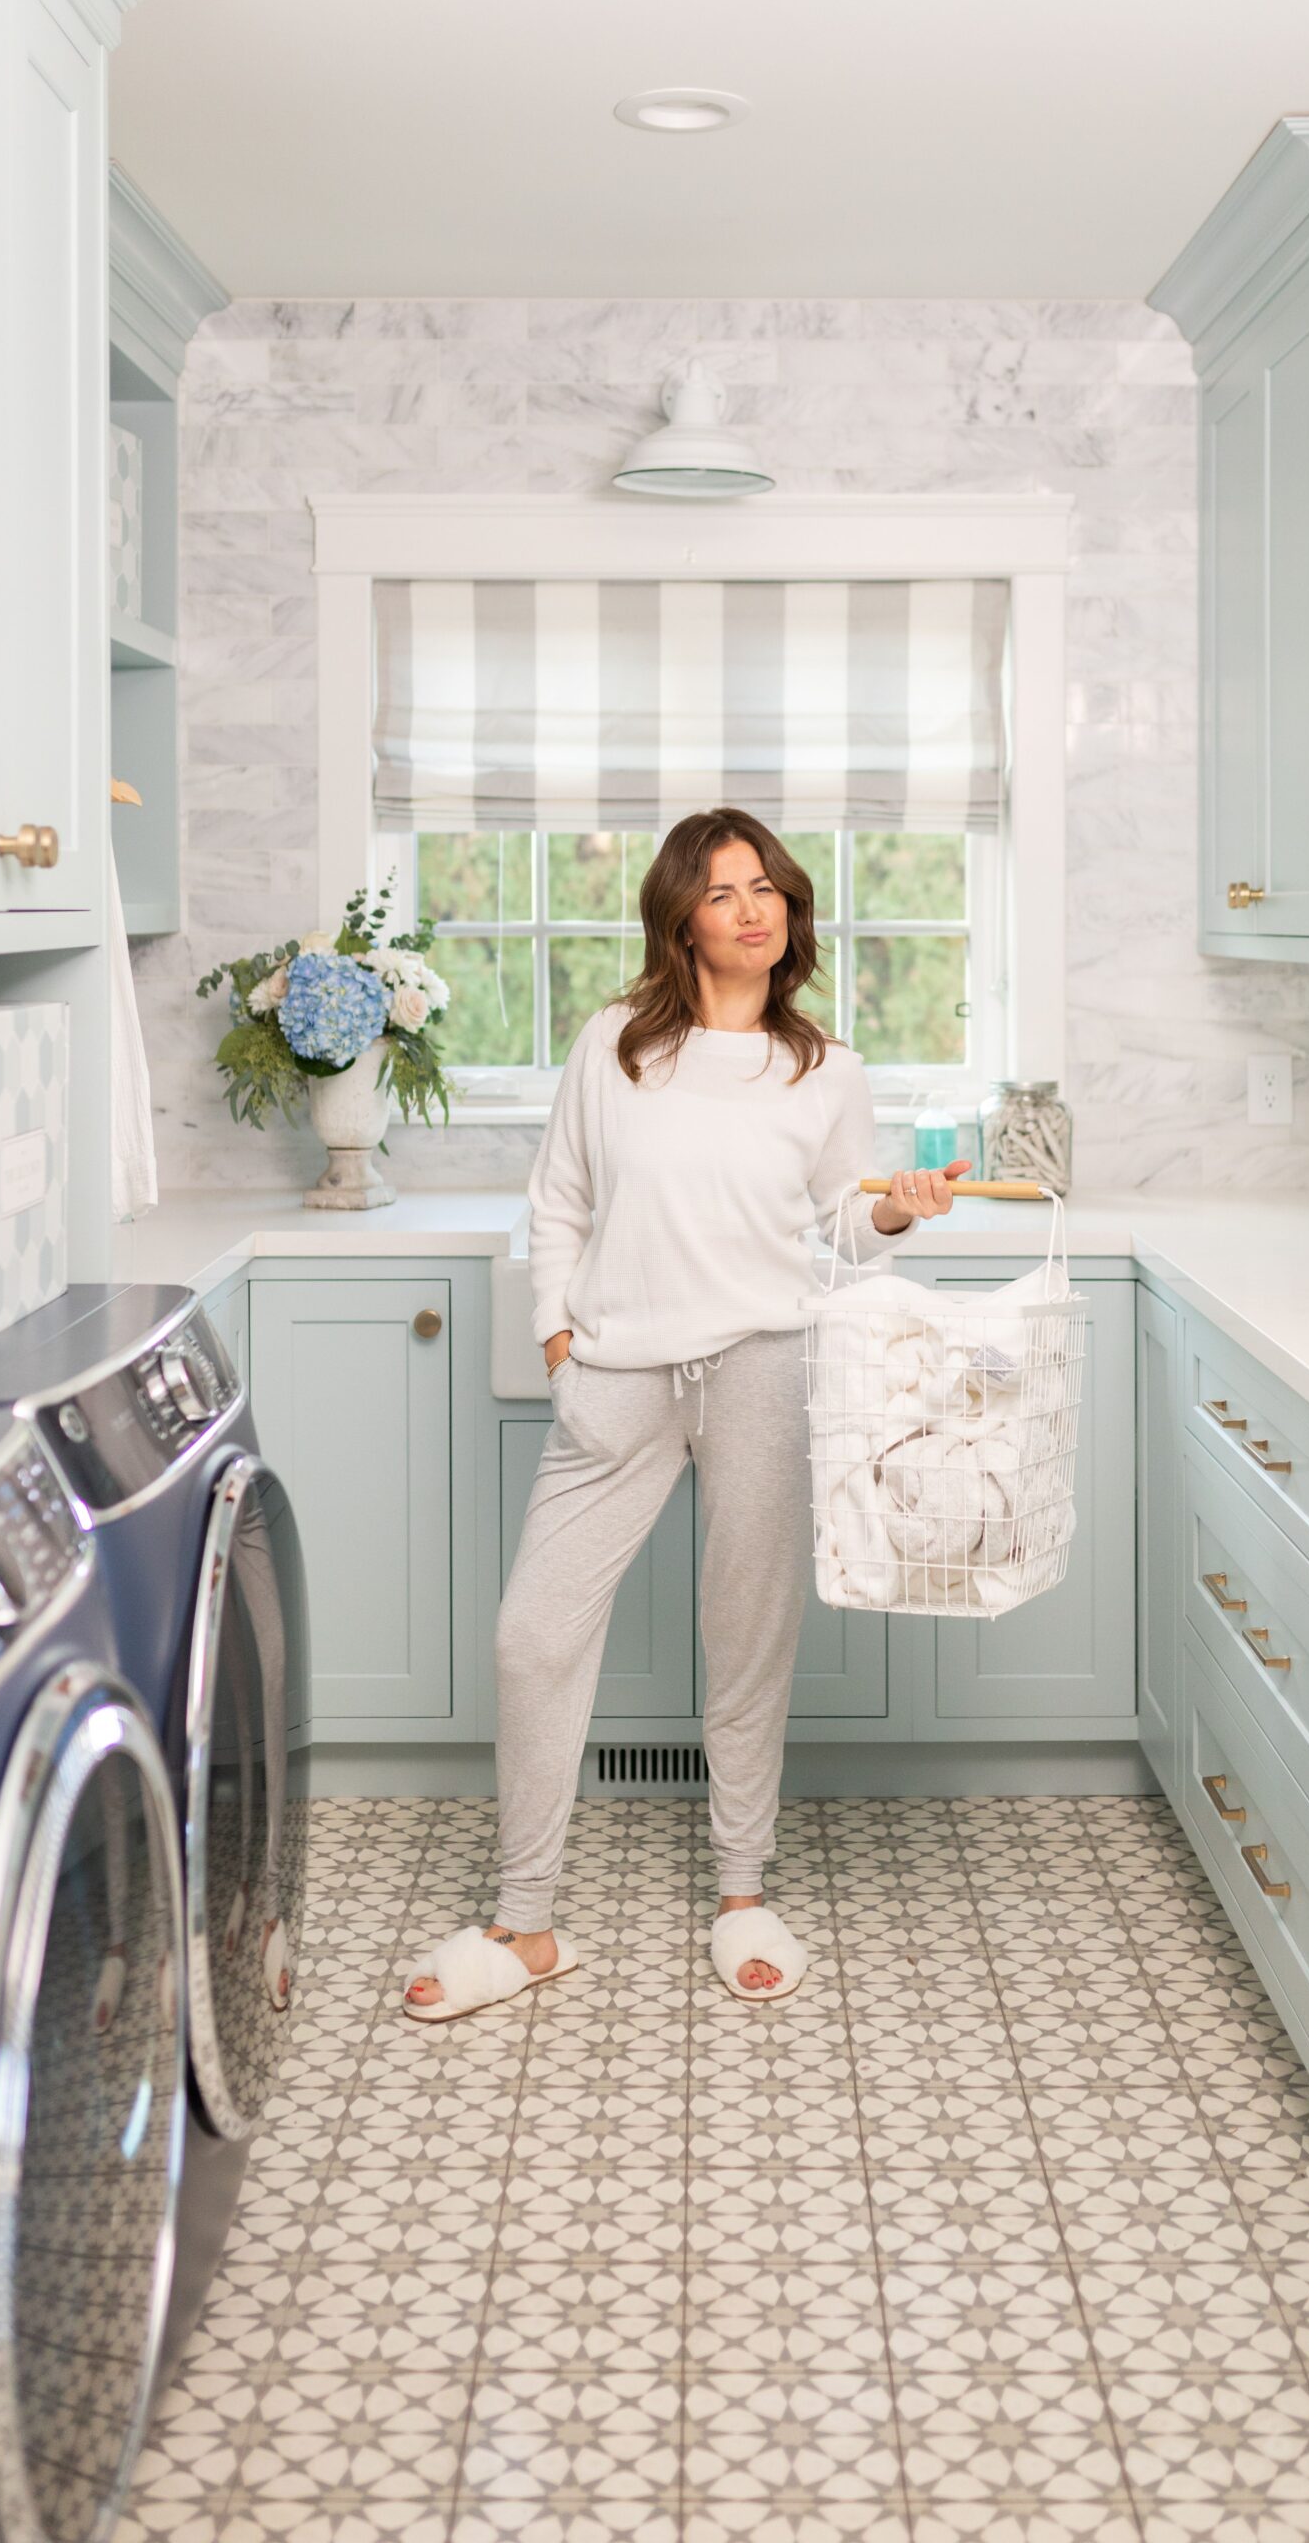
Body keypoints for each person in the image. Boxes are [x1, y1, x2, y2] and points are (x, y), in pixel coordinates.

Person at [404, 806, 967, 2022]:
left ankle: (743, 1892)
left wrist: (900, 1211)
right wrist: (563, 1340)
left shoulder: (826, 1069)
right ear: (680, 916)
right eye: (724, 891)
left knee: (748, 1637)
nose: (753, 907)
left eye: (766, 885)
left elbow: (837, 1227)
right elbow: (557, 1201)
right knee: (534, 1634)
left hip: (767, 1363)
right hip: (619, 1377)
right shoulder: (614, 1046)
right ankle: (526, 1918)